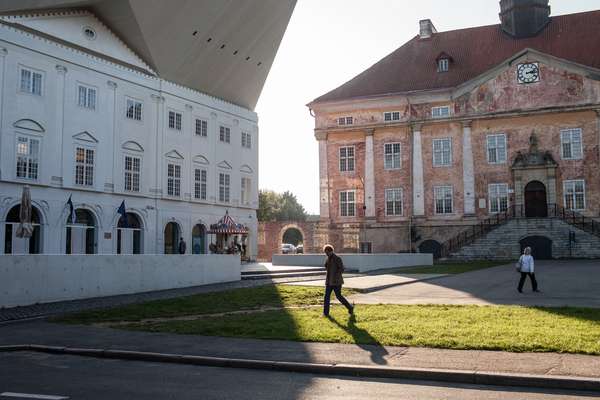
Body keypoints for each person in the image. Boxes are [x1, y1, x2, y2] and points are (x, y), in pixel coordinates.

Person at [322, 244, 354, 317]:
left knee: (339, 296)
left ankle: (350, 307)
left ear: (331, 251)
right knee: (326, 297)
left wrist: (336, 276)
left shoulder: (337, 258)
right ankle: (325, 313)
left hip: (336, 282)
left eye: (327, 252)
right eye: (325, 253)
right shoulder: (328, 259)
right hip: (329, 282)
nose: (326, 254)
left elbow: (342, 269)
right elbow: (327, 268)